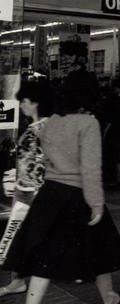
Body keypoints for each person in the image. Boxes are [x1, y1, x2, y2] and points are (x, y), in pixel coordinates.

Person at [3, 70, 120, 304]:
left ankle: (109, 298)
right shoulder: (88, 123)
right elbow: (91, 169)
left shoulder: (51, 122)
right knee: (100, 248)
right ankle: (110, 298)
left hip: (51, 194)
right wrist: (96, 203)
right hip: (78, 194)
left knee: (47, 257)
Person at [0, 79, 53, 297]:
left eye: (25, 101)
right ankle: (17, 280)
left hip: (35, 193)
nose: (21, 104)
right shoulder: (35, 127)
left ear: (35, 103)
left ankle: (18, 280)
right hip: (25, 191)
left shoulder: (45, 128)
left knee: (23, 239)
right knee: (17, 238)